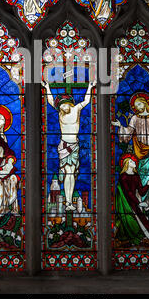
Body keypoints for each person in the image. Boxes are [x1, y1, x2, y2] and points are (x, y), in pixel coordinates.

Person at [42, 80, 96, 211]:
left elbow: (86, 101)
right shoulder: (60, 113)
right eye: (60, 106)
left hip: (74, 145)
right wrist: (47, 87)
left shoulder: (76, 109)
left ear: (69, 104)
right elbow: (50, 101)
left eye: (64, 106)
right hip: (64, 146)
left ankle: (69, 201)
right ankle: (67, 201)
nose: (62, 108)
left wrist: (89, 87)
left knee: (71, 174)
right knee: (68, 173)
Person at [112, 92, 149, 212]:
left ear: (145, 104)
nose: (137, 107)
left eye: (139, 104)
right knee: (142, 177)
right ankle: (142, 202)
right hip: (140, 153)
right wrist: (120, 126)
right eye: (136, 105)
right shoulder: (134, 118)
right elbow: (128, 134)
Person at [115, 153, 149, 244]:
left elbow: (141, 191)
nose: (134, 162)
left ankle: (146, 235)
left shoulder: (136, 175)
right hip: (126, 202)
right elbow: (128, 193)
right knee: (133, 219)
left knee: (141, 218)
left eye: (134, 161)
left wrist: (148, 184)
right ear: (126, 164)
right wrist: (138, 203)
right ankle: (134, 237)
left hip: (134, 201)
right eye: (131, 161)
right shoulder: (123, 177)